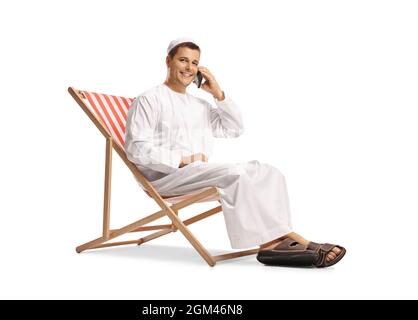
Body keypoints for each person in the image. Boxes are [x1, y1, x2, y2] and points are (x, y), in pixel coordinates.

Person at [124, 37, 346, 267]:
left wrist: (219, 94)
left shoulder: (199, 105)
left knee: (267, 172)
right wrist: (181, 160)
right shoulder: (148, 99)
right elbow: (136, 148)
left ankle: (283, 236)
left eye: (194, 62)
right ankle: (274, 243)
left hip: (199, 173)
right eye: (183, 60)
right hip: (166, 178)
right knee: (234, 174)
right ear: (168, 61)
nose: (189, 68)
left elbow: (234, 128)